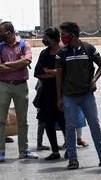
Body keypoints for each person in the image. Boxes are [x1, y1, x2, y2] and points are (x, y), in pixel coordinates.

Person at [55, 22, 101, 170]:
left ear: (72, 34)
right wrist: (59, 97)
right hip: (69, 96)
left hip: (86, 95)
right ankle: (72, 159)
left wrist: (94, 80)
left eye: (64, 34)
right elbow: (58, 76)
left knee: (94, 125)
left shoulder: (89, 49)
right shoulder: (62, 53)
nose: (62, 37)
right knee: (70, 127)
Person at [0, 21, 37, 162]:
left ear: (10, 33)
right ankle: (0, 151)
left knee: (22, 119)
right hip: (3, 85)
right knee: (0, 119)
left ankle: (23, 150)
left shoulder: (24, 45)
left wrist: (8, 65)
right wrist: (18, 64)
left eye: (2, 33)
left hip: (20, 85)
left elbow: (27, 61)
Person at [34, 27, 67, 160]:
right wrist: (57, 73)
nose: (44, 39)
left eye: (46, 37)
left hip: (64, 93)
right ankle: (55, 151)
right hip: (47, 93)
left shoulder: (64, 52)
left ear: (53, 39)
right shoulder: (44, 53)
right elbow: (38, 73)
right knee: (48, 122)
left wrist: (50, 72)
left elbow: (67, 73)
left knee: (65, 122)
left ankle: (70, 149)